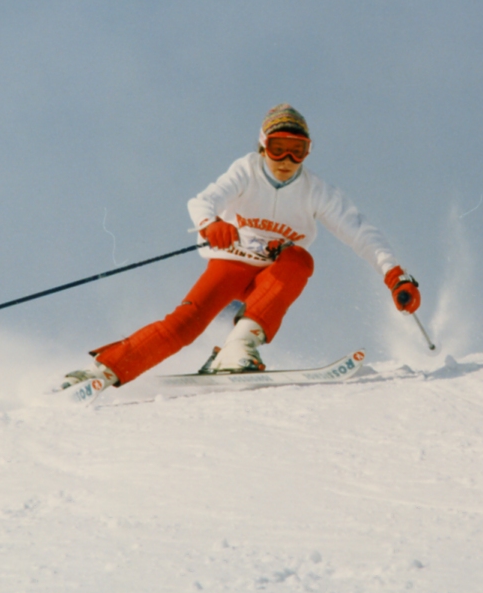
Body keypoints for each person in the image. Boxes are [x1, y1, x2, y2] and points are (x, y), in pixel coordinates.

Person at [63, 104, 422, 388]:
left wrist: (394, 274)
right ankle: (104, 370)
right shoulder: (246, 170)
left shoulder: (316, 190)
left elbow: (361, 232)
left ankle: (238, 348)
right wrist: (211, 224)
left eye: (298, 151)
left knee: (300, 259)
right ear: (262, 146)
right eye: (278, 148)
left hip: (274, 275)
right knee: (183, 326)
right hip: (231, 264)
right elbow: (202, 200)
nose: (286, 161)